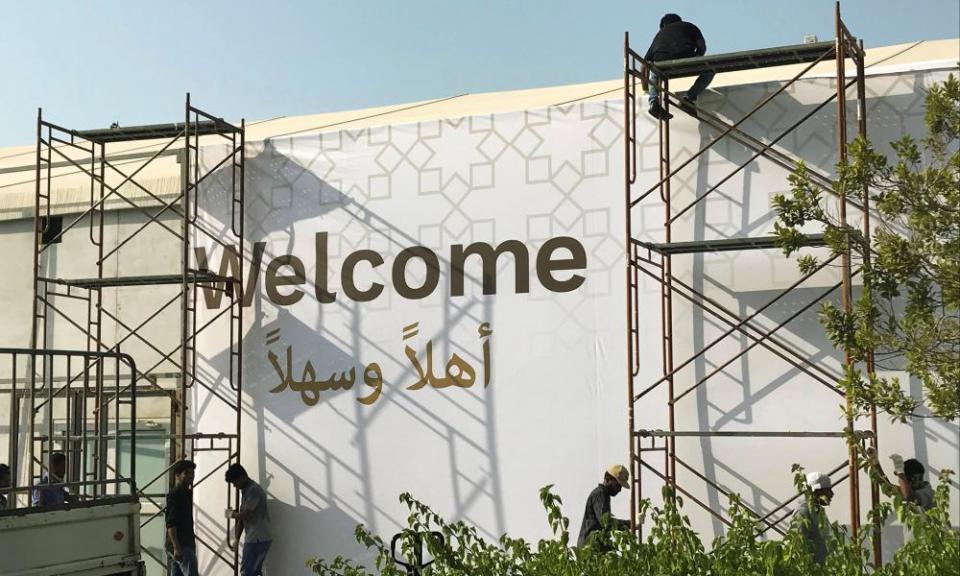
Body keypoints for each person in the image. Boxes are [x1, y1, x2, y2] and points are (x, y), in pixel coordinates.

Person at [641, 14, 715, 120]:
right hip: (685, 58)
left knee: (654, 71)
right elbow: (702, 48)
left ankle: (653, 102)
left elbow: (645, 65)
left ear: (664, 25)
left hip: (663, 63)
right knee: (709, 70)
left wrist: (646, 89)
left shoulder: (660, 34)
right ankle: (688, 98)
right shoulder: (690, 26)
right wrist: (697, 60)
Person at [225, 463, 272, 576]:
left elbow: (246, 515)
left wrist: (232, 514)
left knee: (247, 572)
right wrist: (236, 538)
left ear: (242, 477)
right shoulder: (247, 490)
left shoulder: (253, 490)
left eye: (234, 482)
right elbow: (243, 518)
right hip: (257, 538)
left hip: (258, 538)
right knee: (253, 572)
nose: (234, 486)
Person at [576, 464, 631, 549]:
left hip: (592, 545)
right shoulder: (600, 494)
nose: (619, 490)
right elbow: (605, 523)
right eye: (618, 485)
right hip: (590, 548)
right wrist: (629, 524)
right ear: (608, 479)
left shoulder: (603, 495)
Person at [792, 471, 834, 565]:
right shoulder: (803, 513)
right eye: (828, 490)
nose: (831, 494)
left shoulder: (819, 512)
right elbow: (797, 549)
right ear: (816, 491)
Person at [166, 459, 199, 576]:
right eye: (186, 473)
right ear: (177, 475)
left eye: (192, 473)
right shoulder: (175, 494)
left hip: (186, 543)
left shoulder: (187, 493)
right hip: (181, 545)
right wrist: (176, 547)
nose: (191, 476)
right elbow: (171, 523)